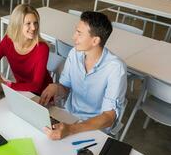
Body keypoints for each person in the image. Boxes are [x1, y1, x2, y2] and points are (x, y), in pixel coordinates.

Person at [39, 11, 127, 140]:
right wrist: (56, 88)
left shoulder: (116, 68)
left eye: (79, 33)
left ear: (95, 40)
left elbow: (109, 117)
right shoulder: (74, 53)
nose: (74, 37)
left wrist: (71, 129)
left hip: (95, 127)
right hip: (69, 116)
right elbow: (66, 88)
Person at [0, 4, 52, 95]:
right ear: (17, 25)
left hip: (42, 96)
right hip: (21, 92)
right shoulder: (8, 41)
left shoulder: (42, 48)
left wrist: (6, 84)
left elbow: (36, 85)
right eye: (28, 23)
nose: (33, 28)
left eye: (35, 23)